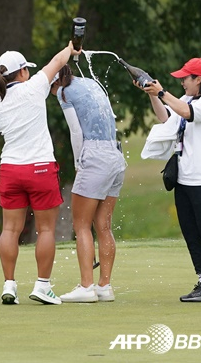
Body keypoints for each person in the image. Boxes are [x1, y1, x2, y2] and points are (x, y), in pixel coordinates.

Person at [0, 42, 80, 305]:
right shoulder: (35, 87)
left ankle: (9, 285)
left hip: (10, 170)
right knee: (45, 230)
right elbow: (58, 61)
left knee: (10, 230)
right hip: (41, 168)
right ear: (22, 72)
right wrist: (71, 47)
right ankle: (42, 286)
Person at [137, 57, 201, 303]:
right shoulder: (185, 99)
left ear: (199, 79)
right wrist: (152, 93)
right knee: (191, 232)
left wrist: (162, 91)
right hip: (183, 179)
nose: (182, 82)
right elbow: (166, 118)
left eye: (186, 78)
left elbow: (188, 114)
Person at [50, 65, 127, 303]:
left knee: (81, 225)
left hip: (93, 154)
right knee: (103, 226)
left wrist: (77, 162)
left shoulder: (63, 92)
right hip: (115, 154)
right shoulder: (90, 83)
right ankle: (105, 286)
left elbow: (75, 131)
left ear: (54, 82)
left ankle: (86, 286)